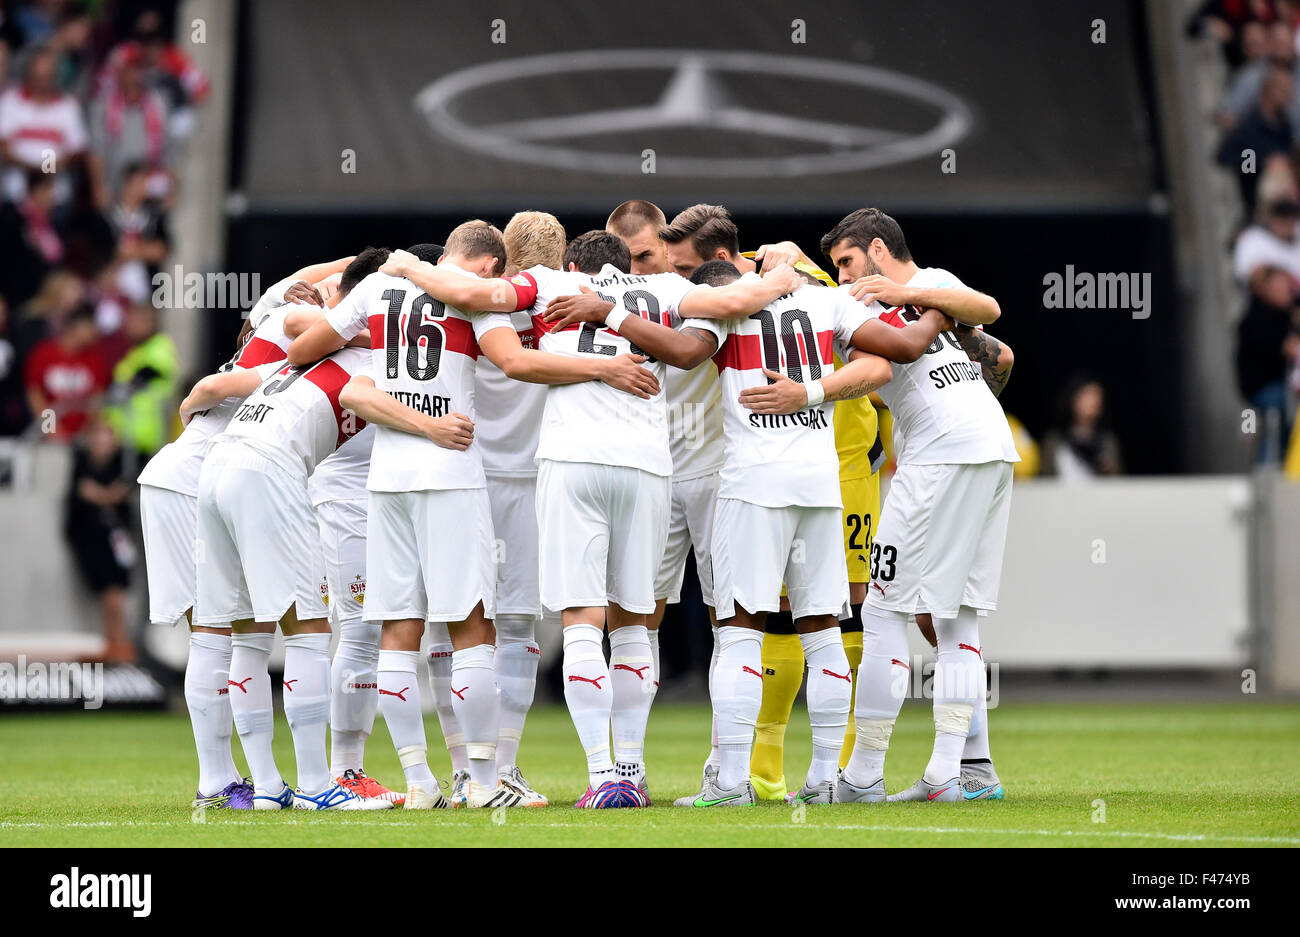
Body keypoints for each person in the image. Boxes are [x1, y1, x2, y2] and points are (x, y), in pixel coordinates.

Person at [290, 223, 659, 809]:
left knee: (403, 631)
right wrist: (605, 367)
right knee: (490, 630)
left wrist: (361, 330)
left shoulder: (390, 295)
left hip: (398, 476)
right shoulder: (512, 302)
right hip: (498, 473)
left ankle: (426, 778)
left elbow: (300, 344)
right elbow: (515, 363)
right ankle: (493, 776)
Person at [136, 254, 353, 810]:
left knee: (230, 634)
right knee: (218, 635)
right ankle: (222, 782)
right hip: (197, 479)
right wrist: (192, 413)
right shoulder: (292, 323)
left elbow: (318, 272)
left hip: (190, 478)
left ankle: (257, 785)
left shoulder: (275, 310)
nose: (327, 292)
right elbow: (210, 383)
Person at [188, 253, 387, 812]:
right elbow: (357, 396)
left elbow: (230, 373)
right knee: (308, 632)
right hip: (270, 471)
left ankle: (268, 787)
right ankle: (320, 785)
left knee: (248, 633)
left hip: (222, 463)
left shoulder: (306, 342)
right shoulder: (371, 346)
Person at [65, 418, 134, 663]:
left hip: (115, 540)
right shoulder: (81, 465)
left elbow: (114, 494)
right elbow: (85, 493)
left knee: (115, 593)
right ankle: (112, 644)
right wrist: (106, 495)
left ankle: (120, 645)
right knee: (105, 594)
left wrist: (102, 495)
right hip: (91, 540)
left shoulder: (122, 466)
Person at [1236, 264, 1300, 462]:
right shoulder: (1257, 318)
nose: (1286, 293)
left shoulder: (1287, 314)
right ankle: (1268, 465)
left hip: (1285, 386)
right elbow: (1288, 349)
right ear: (1266, 291)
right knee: (1278, 413)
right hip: (1264, 387)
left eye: (1287, 288)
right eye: (1279, 288)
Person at [104, 304, 178, 465]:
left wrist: (125, 386)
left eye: (132, 322)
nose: (128, 326)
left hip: (146, 437)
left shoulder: (159, 346)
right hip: (125, 435)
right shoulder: (136, 350)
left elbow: (149, 372)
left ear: (148, 323)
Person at [23, 306, 108, 440]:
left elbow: (96, 398)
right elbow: (35, 396)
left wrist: (87, 430)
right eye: (90, 327)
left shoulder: (94, 358)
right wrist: (51, 429)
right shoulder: (44, 354)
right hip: (48, 434)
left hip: (83, 436)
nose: (94, 332)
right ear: (75, 327)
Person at [1042, 378, 1125, 478]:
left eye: (1097, 397)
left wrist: (1110, 469)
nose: (1094, 401)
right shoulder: (1054, 441)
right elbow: (1044, 478)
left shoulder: (1107, 441)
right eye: (1087, 396)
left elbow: (1118, 481)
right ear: (1073, 399)